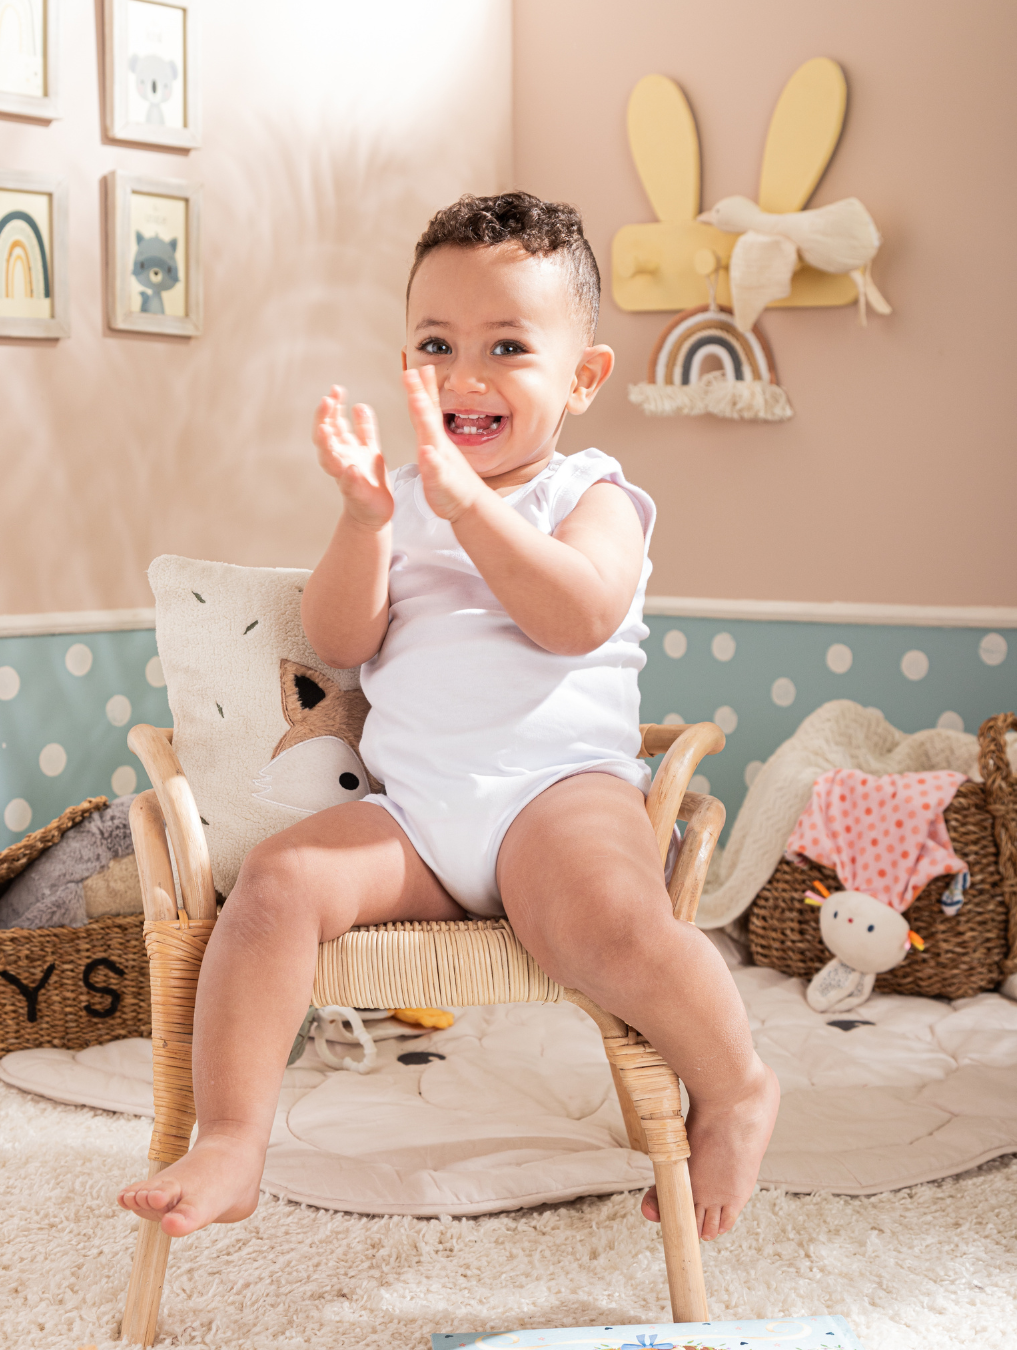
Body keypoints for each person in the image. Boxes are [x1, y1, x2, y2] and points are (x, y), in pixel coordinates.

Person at [118, 192, 779, 1244]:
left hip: (560, 795)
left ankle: (737, 1086)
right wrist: (365, 519)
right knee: (275, 887)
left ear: (583, 377)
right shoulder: (402, 499)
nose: (466, 376)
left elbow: (576, 616)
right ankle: (236, 1134)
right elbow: (341, 640)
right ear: (407, 361)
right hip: (417, 814)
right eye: (438, 343)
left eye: (507, 345)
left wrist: (470, 504)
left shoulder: (592, 494)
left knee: (613, 924)